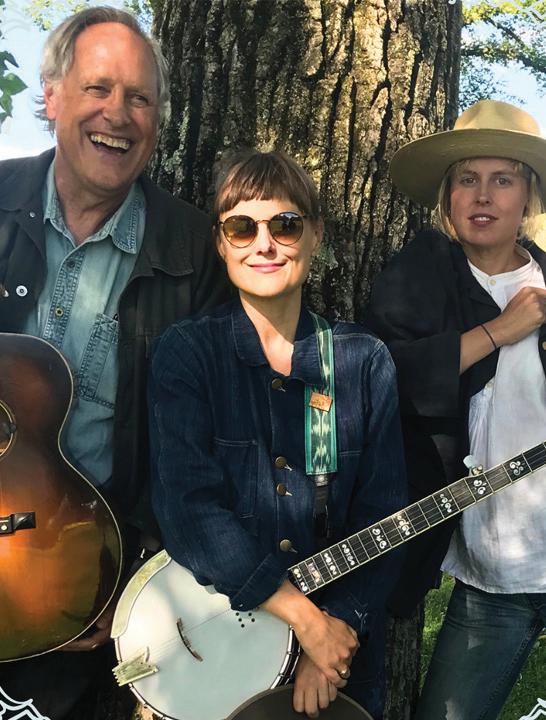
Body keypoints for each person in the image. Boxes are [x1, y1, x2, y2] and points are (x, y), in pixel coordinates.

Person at [0, 6, 228, 719]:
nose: (118, 115)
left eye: (140, 98)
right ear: (51, 96)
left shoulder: (195, 252)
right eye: (98, 88)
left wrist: (135, 572)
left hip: (82, 582)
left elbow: (203, 438)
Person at [149, 150, 407, 720]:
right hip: (218, 648)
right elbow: (188, 508)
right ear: (221, 243)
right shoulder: (188, 354)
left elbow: (385, 515)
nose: (263, 244)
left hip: (340, 657)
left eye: (285, 225)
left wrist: (335, 632)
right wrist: (305, 620)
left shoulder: (363, 361)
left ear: (315, 234)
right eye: (242, 227)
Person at [366, 99, 546, 720]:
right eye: (467, 178)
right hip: (496, 570)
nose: (483, 195)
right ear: (447, 196)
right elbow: (382, 379)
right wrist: (499, 331)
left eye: (504, 179)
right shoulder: (417, 277)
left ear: (529, 196)